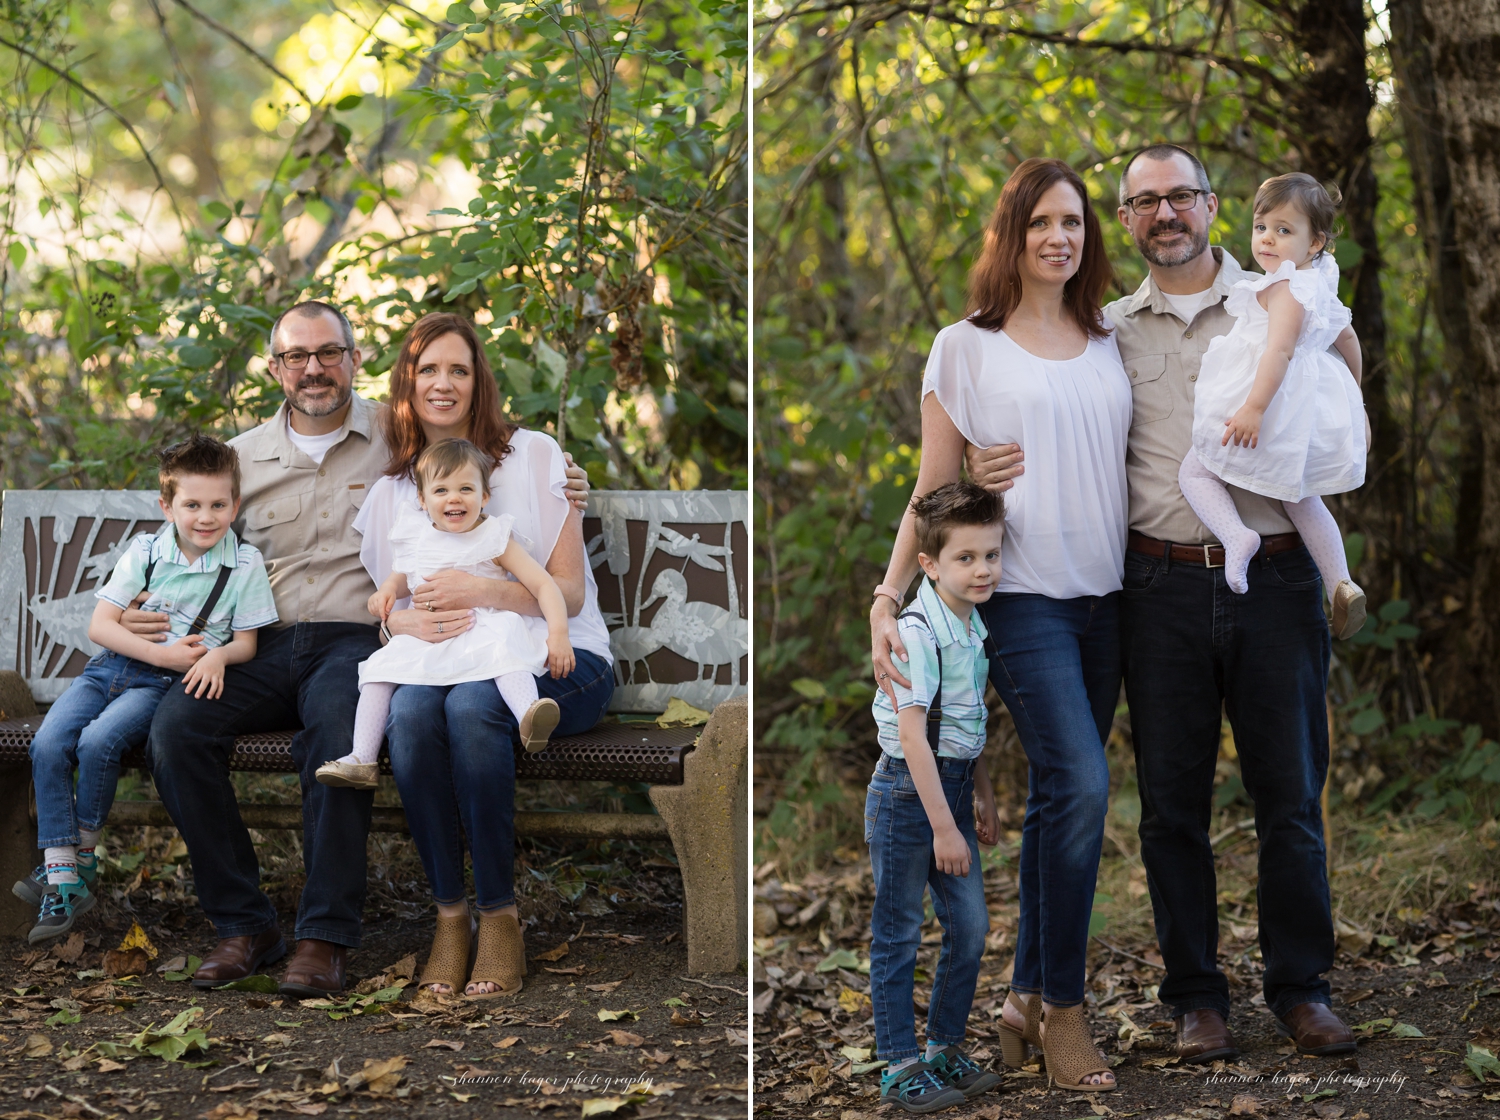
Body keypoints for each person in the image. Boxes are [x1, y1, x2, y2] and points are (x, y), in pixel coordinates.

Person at [967, 144, 1355, 1062]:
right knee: (1171, 803)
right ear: (1128, 220)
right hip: (1159, 585)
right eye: (1144, 203)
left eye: (1181, 195)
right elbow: (1035, 409)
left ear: (1213, 206)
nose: (1165, 213)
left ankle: (1302, 988)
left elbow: (1341, 369)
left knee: (1291, 794)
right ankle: (1197, 998)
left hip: (1280, 576)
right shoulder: (1104, 331)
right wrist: (986, 464)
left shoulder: (1275, 295)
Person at [126, 299, 593, 996]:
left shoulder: (397, 433)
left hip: (353, 642)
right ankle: (245, 925)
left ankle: (324, 936)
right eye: (296, 357)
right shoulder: (243, 457)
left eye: (328, 354)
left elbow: (476, 446)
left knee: (344, 732)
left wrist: (566, 482)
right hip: (263, 643)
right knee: (175, 729)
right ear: (275, 368)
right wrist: (141, 605)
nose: (313, 370)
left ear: (355, 360)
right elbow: (185, 538)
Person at [871, 158, 1132, 1093]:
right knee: (1085, 782)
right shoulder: (966, 346)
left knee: (1065, 798)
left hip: (1111, 598)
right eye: (1040, 223)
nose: (1059, 237)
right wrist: (888, 597)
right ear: (1011, 234)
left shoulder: (1110, 337)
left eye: (1073, 222)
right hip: (1019, 599)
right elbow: (931, 492)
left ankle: (1020, 999)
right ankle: (1065, 1011)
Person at [353, 312, 615, 999]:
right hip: (440, 663)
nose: (443, 384)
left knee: (474, 710)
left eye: (458, 369)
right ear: (405, 384)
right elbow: (393, 610)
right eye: (427, 369)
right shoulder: (390, 493)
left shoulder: (534, 457)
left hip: (556, 660)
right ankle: (448, 918)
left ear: (480, 381)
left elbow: (570, 595)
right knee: (409, 718)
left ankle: (498, 916)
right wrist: (402, 624)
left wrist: (482, 591)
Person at [14, 435, 276, 944]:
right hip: (109, 668)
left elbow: (246, 642)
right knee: (47, 742)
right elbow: (100, 626)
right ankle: (60, 868)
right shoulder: (147, 550)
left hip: (159, 685)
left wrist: (216, 654)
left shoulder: (243, 563)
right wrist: (161, 651)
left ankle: (82, 857)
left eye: (218, 504)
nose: (206, 517)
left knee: (97, 743)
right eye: (192, 504)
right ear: (167, 505)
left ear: (235, 504)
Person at [314, 438, 574, 791]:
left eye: (466, 488)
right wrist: (386, 594)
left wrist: (557, 634)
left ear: (484, 497)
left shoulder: (494, 537)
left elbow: (545, 586)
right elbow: (401, 578)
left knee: (506, 657)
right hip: (430, 637)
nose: (454, 498)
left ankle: (530, 717)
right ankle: (362, 757)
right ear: (422, 500)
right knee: (378, 672)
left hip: (482, 625)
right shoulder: (416, 537)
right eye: (441, 490)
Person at [1178, 172, 1367, 638]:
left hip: (1269, 404)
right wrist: (1355, 398)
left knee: (1195, 471)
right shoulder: (1319, 281)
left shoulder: (1286, 287)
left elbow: (1278, 351)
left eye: (1284, 231)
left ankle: (1236, 535)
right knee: (1300, 497)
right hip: (1299, 411)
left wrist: (1254, 409)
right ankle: (1340, 581)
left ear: (1315, 242)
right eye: (1262, 226)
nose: (1267, 239)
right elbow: (1347, 337)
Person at [866, 481, 1004, 1113]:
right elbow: (917, 739)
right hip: (905, 794)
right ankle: (898, 1062)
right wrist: (945, 828)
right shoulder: (918, 631)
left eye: (991, 555)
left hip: (951, 787)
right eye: (965, 559)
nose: (982, 571)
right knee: (898, 932)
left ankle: (943, 1046)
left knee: (970, 927)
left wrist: (981, 793)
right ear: (929, 564)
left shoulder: (972, 625)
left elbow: (965, 721)